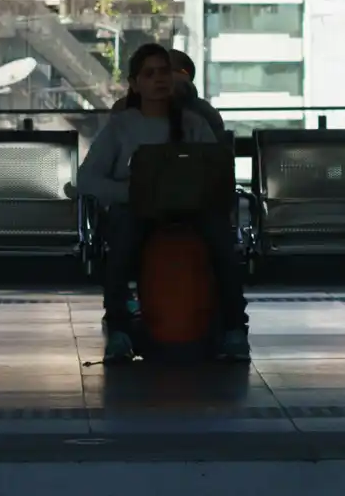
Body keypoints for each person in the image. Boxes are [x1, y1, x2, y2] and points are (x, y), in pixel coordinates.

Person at [80, 42, 249, 364]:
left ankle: (234, 329)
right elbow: (88, 179)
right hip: (137, 208)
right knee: (123, 240)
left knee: (222, 243)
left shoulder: (194, 124)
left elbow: (217, 173)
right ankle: (119, 331)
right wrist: (130, 193)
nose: (159, 79)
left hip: (193, 209)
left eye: (164, 73)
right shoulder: (121, 127)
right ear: (135, 84)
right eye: (150, 74)